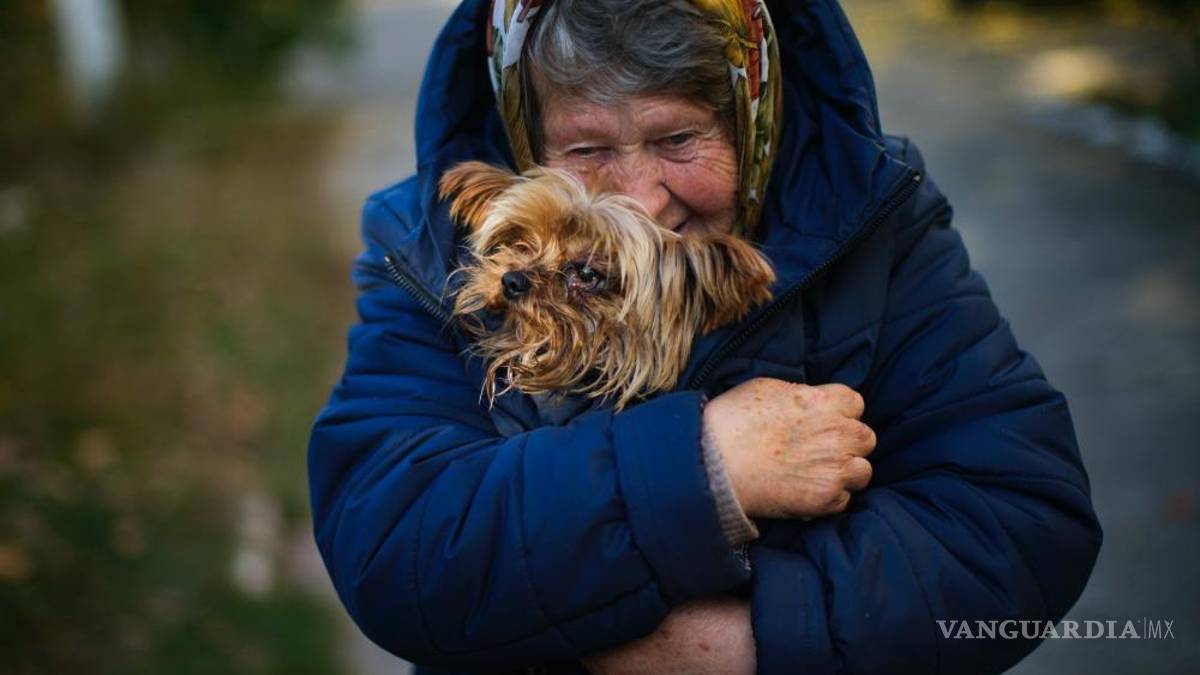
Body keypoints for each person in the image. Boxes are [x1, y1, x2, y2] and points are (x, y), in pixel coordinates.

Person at [307, 0, 1103, 673]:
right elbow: (395, 546)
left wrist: (734, 645)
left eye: (678, 140)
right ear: (528, 135)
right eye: (586, 149)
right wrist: (708, 465)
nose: (640, 200)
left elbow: (1019, 528)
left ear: (753, 117)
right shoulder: (427, 247)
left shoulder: (876, 218)